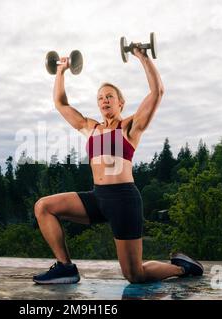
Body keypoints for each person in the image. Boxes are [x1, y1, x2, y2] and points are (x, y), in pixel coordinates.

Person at [33, 46, 204, 284]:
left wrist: (142, 57)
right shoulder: (90, 127)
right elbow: (61, 104)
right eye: (100, 97)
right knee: (44, 207)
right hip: (97, 198)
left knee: (135, 275)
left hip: (123, 199)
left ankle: (184, 268)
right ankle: (66, 267)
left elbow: (157, 92)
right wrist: (61, 71)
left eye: (109, 96)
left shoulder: (129, 127)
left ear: (121, 103)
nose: (104, 100)